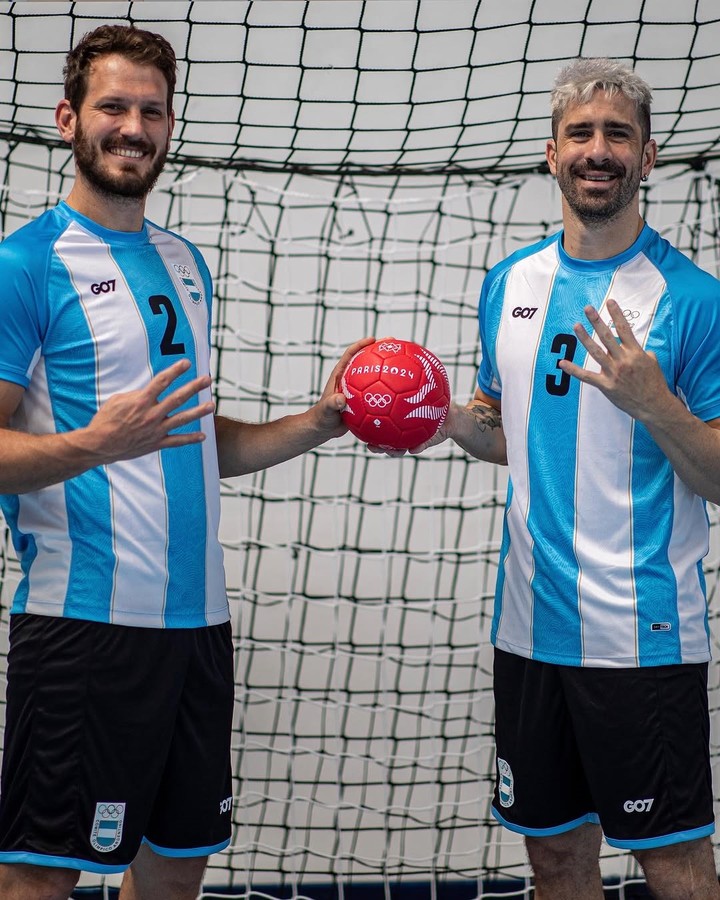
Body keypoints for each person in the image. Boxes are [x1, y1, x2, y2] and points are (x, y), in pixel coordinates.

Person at [0, 24, 369, 900]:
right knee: (41, 876)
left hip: (199, 628)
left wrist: (319, 421)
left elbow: (194, 440)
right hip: (85, 628)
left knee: (175, 867)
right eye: (113, 107)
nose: (133, 127)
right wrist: (96, 442)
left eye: (152, 111)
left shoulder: (182, 260)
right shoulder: (25, 266)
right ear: (67, 119)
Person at [404, 58, 720, 899]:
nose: (598, 150)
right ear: (551, 153)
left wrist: (658, 406)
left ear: (647, 156)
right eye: (580, 133)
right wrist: (433, 417)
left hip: (642, 636)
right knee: (552, 857)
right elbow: (502, 428)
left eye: (618, 134)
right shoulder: (510, 282)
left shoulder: (691, 299)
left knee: (675, 863)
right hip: (530, 631)